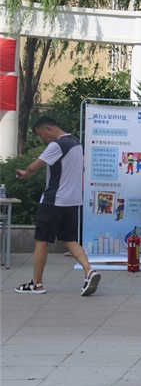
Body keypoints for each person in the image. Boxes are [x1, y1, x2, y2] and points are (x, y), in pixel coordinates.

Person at [14, 116, 101, 296]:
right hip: (73, 201)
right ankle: (89, 272)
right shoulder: (76, 142)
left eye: (41, 135)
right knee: (70, 240)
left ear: (48, 128)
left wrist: (24, 173)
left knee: (41, 240)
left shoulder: (57, 145)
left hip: (54, 201)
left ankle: (36, 284)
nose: (42, 139)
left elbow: (33, 167)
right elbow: (82, 169)